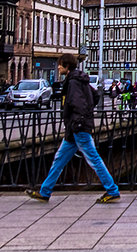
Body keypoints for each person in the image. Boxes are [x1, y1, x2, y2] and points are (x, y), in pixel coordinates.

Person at [26, 52, 120, 204]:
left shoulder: (73, 82)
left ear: (67, 66)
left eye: (60, 64)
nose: (58, 67)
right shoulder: (80, 79)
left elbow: (78, 104)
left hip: (78, 127)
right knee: (59, 159)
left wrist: (78, 120)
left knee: (94, 159)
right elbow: (95, 96)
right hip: (75, 128)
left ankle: (112, 190)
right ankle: (45, 191)